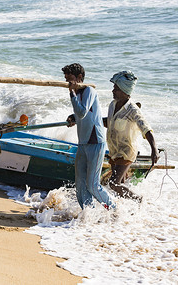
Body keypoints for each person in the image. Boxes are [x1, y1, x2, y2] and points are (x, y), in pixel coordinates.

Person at [63, 63, 114, 210]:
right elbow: (80, 115)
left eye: (70, 79)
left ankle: (114, 209)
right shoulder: (77, 94)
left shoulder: (89, 91)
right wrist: (72, 117)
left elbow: (82, 112)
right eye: (66, 80)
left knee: (92, 185)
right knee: (80, 185)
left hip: (95, 142)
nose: (68, 83)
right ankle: (88, 214)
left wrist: (72, 94)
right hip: (83, 143)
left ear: (79, 78)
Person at [104, 71, 159, 202]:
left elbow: (146, 129)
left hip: (126, 151)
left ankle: (138, 199)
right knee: (119, 186)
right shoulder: (112, 105)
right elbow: (109, 121)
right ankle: (124, 211)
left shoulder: (133, 110)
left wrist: (154, 149)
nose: (113, 90)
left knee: (113, 184)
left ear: (124, 91)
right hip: (114, 151)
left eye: (116, 89)